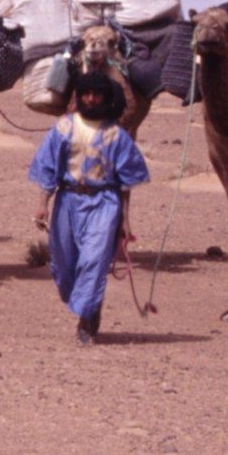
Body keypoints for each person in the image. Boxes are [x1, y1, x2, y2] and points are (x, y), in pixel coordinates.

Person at [29, 72, 150, 345]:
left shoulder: (116, 135)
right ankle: (89, 304)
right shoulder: (64, 128)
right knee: (64, 265)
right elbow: (47, 166)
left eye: (96, 95)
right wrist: (43, 204)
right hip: (67, 202)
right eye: (86, 94)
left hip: (104, 203)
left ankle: (87, 319)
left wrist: (125, 219)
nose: (91, 99)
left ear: (106, 98)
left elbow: (126, 181)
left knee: (93, 261)